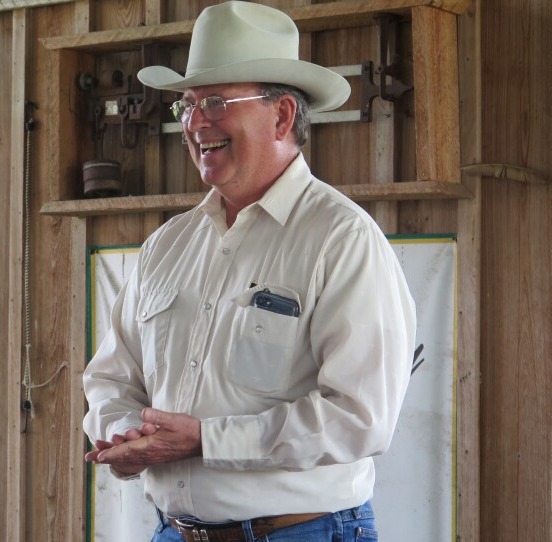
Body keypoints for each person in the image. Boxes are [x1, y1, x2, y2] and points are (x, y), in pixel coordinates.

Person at [82, 2, 417, 541]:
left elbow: (360, 417)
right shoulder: (168, 245)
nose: (195, 123)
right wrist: (125, 435)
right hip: (175, 531)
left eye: (215, 102)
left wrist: (205, 440)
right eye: (187, 107)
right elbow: (111, 378)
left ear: (282, 116)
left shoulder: (341, 238)